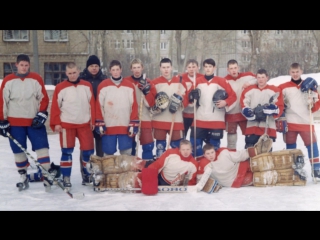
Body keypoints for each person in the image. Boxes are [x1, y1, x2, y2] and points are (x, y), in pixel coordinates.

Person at [0, 54, 56, 191]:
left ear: (29, 65)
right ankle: (23, 175)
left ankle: (46, 174)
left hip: (34, 121)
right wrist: (2, 120)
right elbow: (2, 102)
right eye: (21, 65)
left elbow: (43, 98)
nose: (24, 67)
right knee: (18, 150)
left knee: (42, 147)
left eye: (26, 65)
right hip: (14, 123)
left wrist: (42, 113)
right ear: (16, 65)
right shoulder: (8, 80)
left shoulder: (36, 78)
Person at [50, 62, 96, 190]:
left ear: (79, 71)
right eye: (69, 73)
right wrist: (56, 123)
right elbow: (55, 106)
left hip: (84, 124)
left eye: (74, 72)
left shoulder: (87, 86)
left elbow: (92, 103)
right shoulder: (60, 87)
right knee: (67, 152)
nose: (72, 75)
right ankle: (66, 177)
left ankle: (87, 176)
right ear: (66, 73)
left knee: (88, 152)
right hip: (67, 124)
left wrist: (93, 121)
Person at [278, 63, 320, 179]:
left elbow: (316, 107)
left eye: (297, 72)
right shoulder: (283, 87)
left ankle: (316, 169)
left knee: (312, 145)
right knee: (291, 147)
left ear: (301, 71)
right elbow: (279, 102)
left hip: (306, 120)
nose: (295, 74)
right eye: (293, 72)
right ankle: (294, 170)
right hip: (290, 121)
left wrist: (312, 101)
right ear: (289, 72)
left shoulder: (310, 85)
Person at [188, 58, 237, 158]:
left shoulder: (221, 81)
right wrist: (191, 97)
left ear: (214, 68)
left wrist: (225, 102)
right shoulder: (197, 82)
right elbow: (189, 98)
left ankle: (214, 169)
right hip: (200, 119)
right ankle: (198, 167)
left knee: (214, 149)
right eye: (206, 67)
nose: (208, 69)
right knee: (195, 146)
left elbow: (233, 96)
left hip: (216, 120)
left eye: (210, 67)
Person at [96, 60, 139, 156]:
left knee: (126, 154)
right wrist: (99, 122)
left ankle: (125, 171)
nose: (115, 72)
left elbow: (134, 106)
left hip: (125, 125)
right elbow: (98, 105)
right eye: (113, 70)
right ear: (109, 71)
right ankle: (110, 171)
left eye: (117, 69)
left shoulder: (129, 85)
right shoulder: (103, 85)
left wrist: (133, 122)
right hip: (109, 125)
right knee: (108, 154)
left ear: (121, 70)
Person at [151, 58, 189, 158]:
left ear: (171, 68)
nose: (166, 70)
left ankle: (175, 168)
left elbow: (186, 100)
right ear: (160, 68)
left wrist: (180, 101)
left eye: (168, 67)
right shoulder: (154, 83)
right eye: (163, 67)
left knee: (176, 148)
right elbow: (151, 101)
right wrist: (157, 106)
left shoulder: (180, 82)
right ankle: (161, 168)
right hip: (160, 120)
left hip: (175, 120)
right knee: (160, 148)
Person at [78, 55, 107, 183]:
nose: (94, 68)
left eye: (96, 66)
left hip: (101, 118)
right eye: (91, 66)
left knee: (101, 148)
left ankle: (100, 173)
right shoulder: (81, 80)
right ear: (87, 67)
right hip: (86, 118)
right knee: (86, 148)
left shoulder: (104, 80)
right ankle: (86, 173)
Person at [240, 68, 284, 149]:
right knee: (250, 153)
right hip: (252, 127)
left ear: (267, 77)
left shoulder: (275, 90)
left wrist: (274, 109)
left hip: (267, 127)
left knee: (265, 155)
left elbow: (280, 106)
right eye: (259, 77)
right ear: (256, 78)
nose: (261, 80)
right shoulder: (249, 90)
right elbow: (243, 104)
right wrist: (247, 111)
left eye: (263, 77)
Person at [123, 58, 156, 160]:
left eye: (138, 67)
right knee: (130, 147)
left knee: (148, 146)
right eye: (134, 68)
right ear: (131, 69)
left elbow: (151, 104)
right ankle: (132, 171)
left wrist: (146, 91)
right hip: (130, 119)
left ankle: (146, 170)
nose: (137, 70)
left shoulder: (149, 82)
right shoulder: (126, 82)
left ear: (142, 68)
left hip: (144, 117)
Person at [224, 59, 257, 151]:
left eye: (235, 68)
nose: (233, 70)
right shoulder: (224, 80)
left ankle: (248, 157)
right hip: (231, 112)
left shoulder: (248, 76)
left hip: (244, 112)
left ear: (238, 68)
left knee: (249, 137)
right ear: (228, 70)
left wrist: (249, 83)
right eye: (231, 68)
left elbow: (260, 79)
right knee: (231, 138)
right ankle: (232, 157)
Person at [197, 142, 263, 188]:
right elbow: (200, 178)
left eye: (212, 152)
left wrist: (254, 151)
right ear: (204, 155)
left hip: (240, 167)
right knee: (259, 177)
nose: (211, 155)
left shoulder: (223, 153)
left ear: (215, 151)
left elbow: (238, 156)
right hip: (234, 180)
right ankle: (271, 177)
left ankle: (270, 162)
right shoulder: (204, 164)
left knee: (259, 164)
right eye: (208, 154)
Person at [181, 59, 204, 140]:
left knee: (195, 138)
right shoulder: (181, 78)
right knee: (182, 137)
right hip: (184, 113)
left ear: (198, 67)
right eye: (189, 67)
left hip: (197, 113)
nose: (191, 69)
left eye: (194, 67)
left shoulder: (202, 78)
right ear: (186, 68)